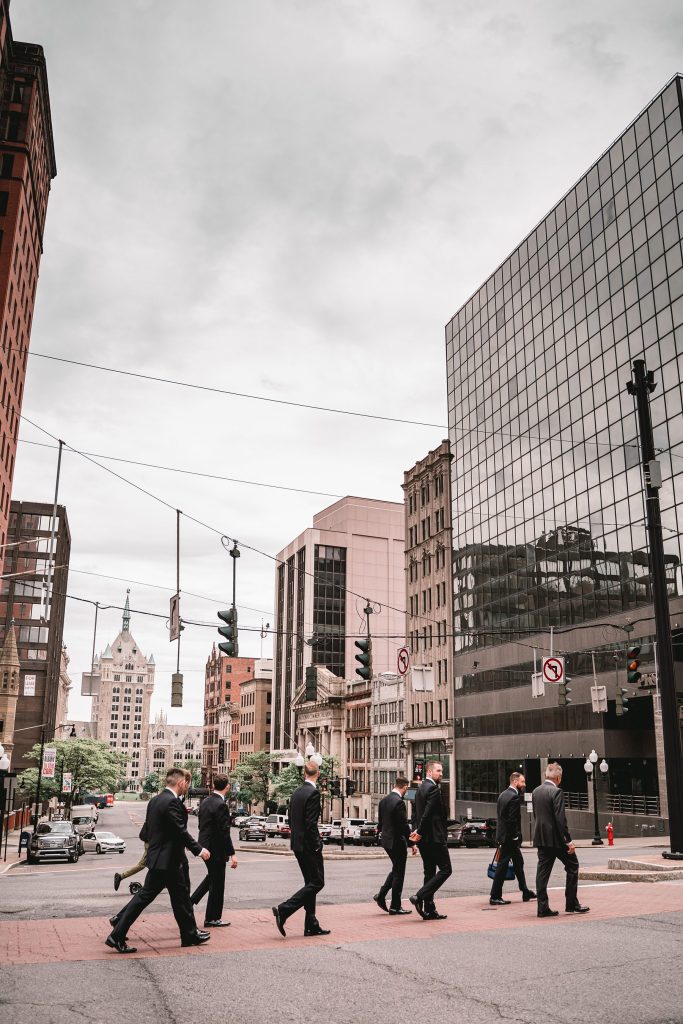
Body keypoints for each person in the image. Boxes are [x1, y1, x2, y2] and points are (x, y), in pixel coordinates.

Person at [105, 767, 211, 954]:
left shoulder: (155, 800)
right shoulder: (171, 802)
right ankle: (117, 935)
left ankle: (190, 934)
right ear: (181, 783)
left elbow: (157, 829)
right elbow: (180, 830)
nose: (187, 786)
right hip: (166, 861)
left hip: (164, 859)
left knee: (181, 899)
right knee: (144, 898)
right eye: (186, 783)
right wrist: (199, 850)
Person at [272, 760, 329, 938]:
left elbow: (291, 819)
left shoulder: (297, 792)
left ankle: (311, 924)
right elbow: (311, 823)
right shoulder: (313, 793)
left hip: (297, 844)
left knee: (310, 883)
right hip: (308, 846)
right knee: (318, 882)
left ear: (304, 773)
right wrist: (317, 844)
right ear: (317, 774)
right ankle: (284, 909)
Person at [532, 762, 589, 918]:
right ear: (558, 777)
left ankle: (542, 908)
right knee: (573, 865)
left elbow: (537, 816)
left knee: (542, 874)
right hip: (557, 840)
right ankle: (572, 904)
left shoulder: (536, 791)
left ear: (546, 775)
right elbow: (560, 819)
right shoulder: (556, 792)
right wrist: (568, 841)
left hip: (541, 838)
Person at [190, 774, 238, 927]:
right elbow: (224, 832)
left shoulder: (205, 802)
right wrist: (232, 853)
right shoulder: (221, 805)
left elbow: (201, 825)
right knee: (218, 884)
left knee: (212, 877)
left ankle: (191, 902)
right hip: (216, 850)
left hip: (204, 846)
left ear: (213, 786)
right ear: (227, 786)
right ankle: (212, 918)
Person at [409, 760, 452, 920]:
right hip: (434, 837)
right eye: (438, 771)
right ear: (429, 772)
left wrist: (416, 831)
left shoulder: (420, 788)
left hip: (424, 840)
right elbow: (427, 813)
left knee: (429, 872)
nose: (441, 774)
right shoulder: (433, 788)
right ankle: (419, 896)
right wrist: (419, 831)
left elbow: (415, 813)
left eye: (441, 771)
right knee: (446, 869)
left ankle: (429, 909)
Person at [489, 772, 536, 906]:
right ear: (515, 782)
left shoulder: (503, 795)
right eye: (522, 782)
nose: (524, 785)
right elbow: (511, 819)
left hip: (503, 836)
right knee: (502, 866)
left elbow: (501, 817)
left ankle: (525, 890)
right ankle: (495, 896)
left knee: (518, 863)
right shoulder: (514, 797)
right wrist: (515, 836)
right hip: (510, 838)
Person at [374, 775, 416, 915]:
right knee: (399, 873)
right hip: (397, 841)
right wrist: (412, 843)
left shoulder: (384, 801)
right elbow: (403, 826)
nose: (406, 791)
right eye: (406, 789)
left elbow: (380, 824)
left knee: (396, 869)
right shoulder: (399, 802)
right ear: (404, 787)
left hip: (386, 841)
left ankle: (381, 895)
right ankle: (395, 906)